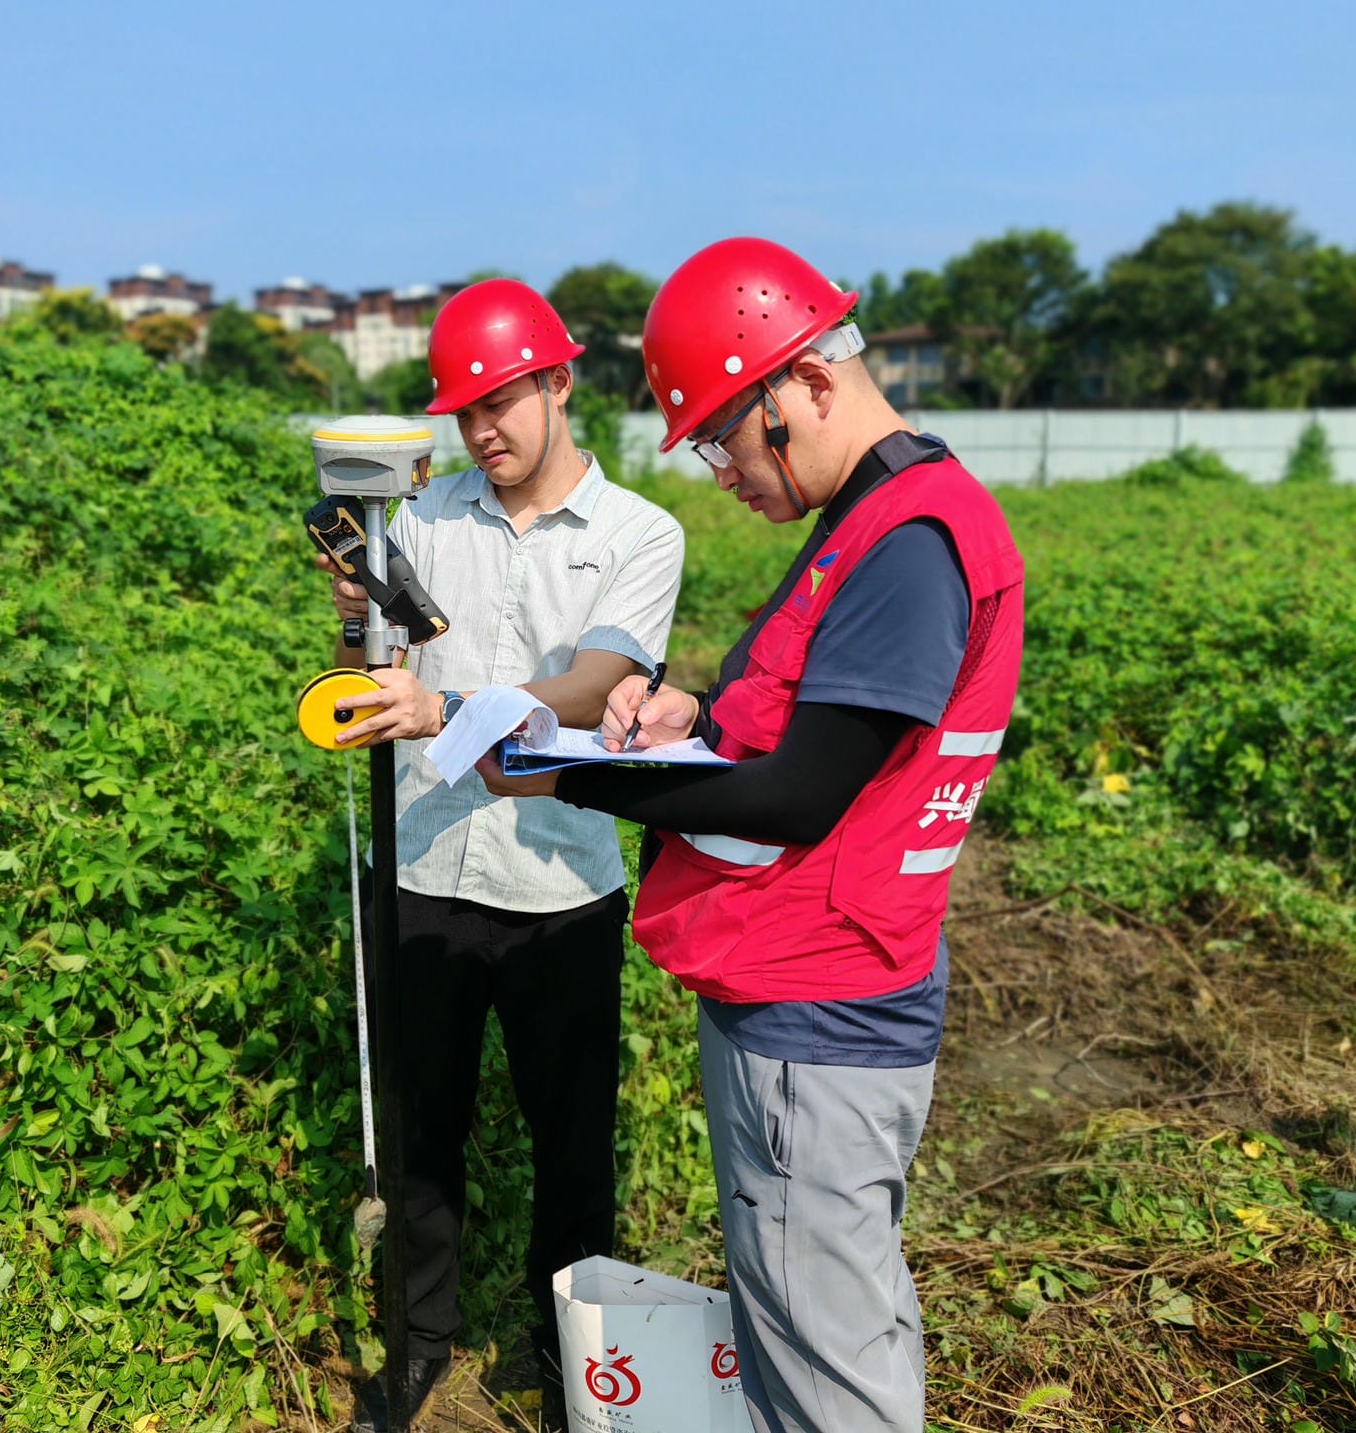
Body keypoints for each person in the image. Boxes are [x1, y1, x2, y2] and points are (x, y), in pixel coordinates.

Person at [479, 238, 1024, 1433]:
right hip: (823, 995)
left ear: (809, 389)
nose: (720, 470)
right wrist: (698, 717)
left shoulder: (906, 547)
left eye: (726, 434)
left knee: (825, 1367)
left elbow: (798, 800)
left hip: (814, 1015)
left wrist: (567, 777)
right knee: (827, 1323)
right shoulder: (873, 526)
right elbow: (795, 736)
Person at [316, 278, 686, 1431]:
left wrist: (450, 710)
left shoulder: (640, 534)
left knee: (571, 1134)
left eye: (505, 400)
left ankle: (573, 1355)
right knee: (426, 1123)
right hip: (425, 868)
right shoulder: (423, 521)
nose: (485, 430)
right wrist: (351, 601)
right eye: (466, 409)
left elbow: (595, 683)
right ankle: (420, 1345)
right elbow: (373, 664)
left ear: (561, 383)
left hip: (563, 883)